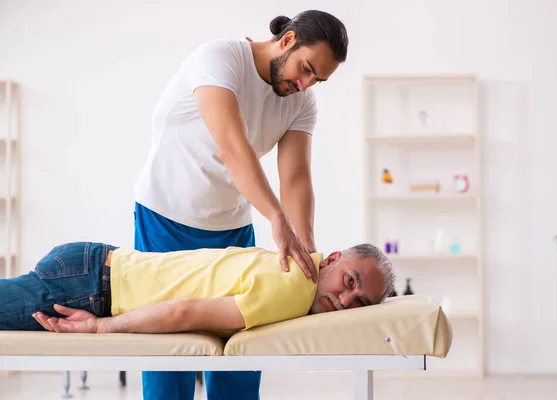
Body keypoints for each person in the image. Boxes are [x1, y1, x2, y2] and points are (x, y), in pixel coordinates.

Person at [131, 8, 349, 400]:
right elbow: (232, 147)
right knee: (169, 356)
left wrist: (308, 249)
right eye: (306, 68)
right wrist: (276, 218)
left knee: (242, 350)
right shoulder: (219, 58)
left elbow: (296, 177)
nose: (305, 83)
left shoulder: (301, 102)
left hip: (231, 228)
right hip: (165, 218)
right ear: (287, 40)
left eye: (318, 78)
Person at [0, 241, 395, 334]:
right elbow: (182, 312)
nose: (343, 300)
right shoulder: (294, 288)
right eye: (349, 281)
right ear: (332, 259)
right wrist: (99, 327)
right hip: (89, 287)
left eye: (357, 302)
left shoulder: (294, 259)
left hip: (91, 267)